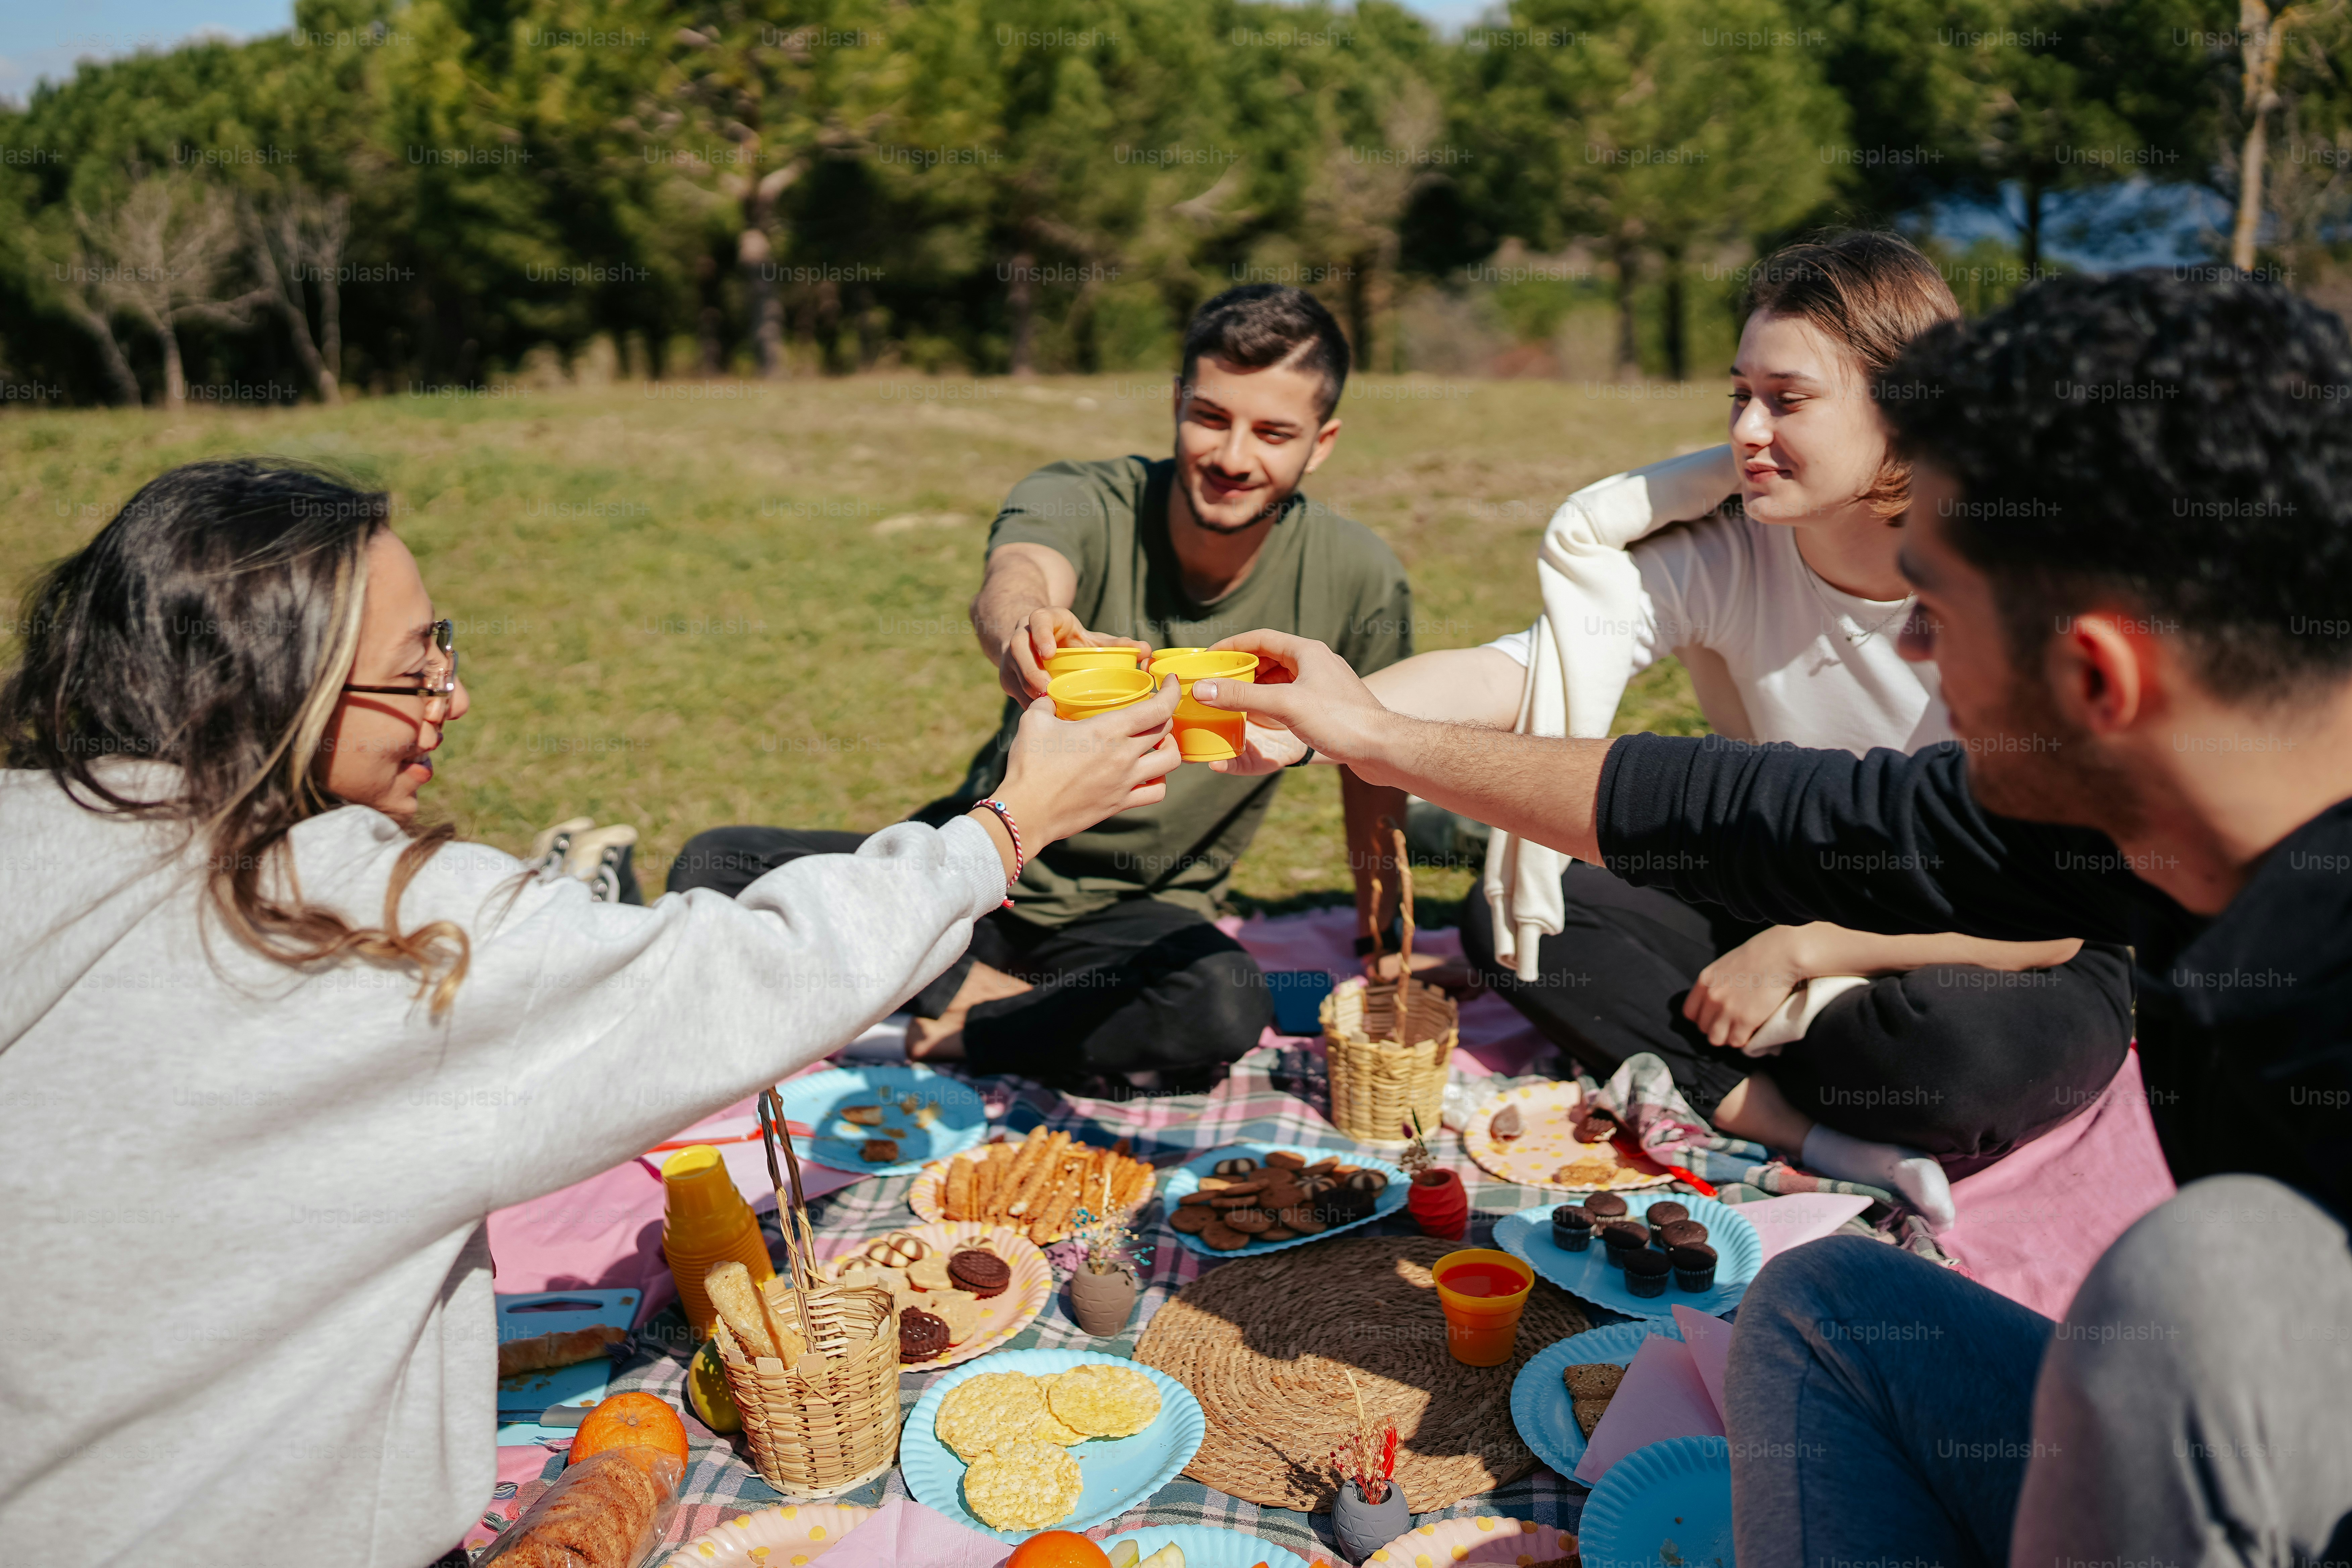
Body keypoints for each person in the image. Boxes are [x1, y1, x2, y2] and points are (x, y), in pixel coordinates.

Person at [1190, 270, 2352, 1560]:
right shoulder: (2161, 806)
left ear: (2092, 677)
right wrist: (1366, 734)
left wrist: (1811, 948)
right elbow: (1760, 813)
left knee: (2198, 1279)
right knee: (1822, 1299)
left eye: (1940, 615)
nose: (1912, 652)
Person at [0, 460, 1178, 1565]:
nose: (450, 698)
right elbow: (743, 979)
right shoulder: (372, 921)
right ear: (280, 689)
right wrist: (1009, 823)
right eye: (416, 668)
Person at [1288, 232, 2133, 1221]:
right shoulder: (1728, 550)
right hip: (1779, 891)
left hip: (1998, 947)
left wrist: (1809, 949)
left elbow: (2057, 911)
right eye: (1739, 394)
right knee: (1521, 915)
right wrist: (1330, 717)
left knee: (1955, 1056)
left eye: (1787, 399)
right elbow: (1520, 669)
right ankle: (1794, 1125)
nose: (1746, 429)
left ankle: (1739, 1055)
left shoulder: (2004, 575)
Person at [669, 285, 1416, 1090]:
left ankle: (956, 1023)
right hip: (981, 859)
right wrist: (1026, 623)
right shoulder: (1083, 495)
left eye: (1274, 433)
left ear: (1323, 440)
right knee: (716, 863)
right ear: (1176, 403)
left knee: (1224, 1004)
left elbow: (1371, 766)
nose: (1234, 457)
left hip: (1133, 915)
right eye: (1211, 416)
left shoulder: (1359, 576)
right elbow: (1016, 574)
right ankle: (1014, 1009)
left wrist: (1387, 945)